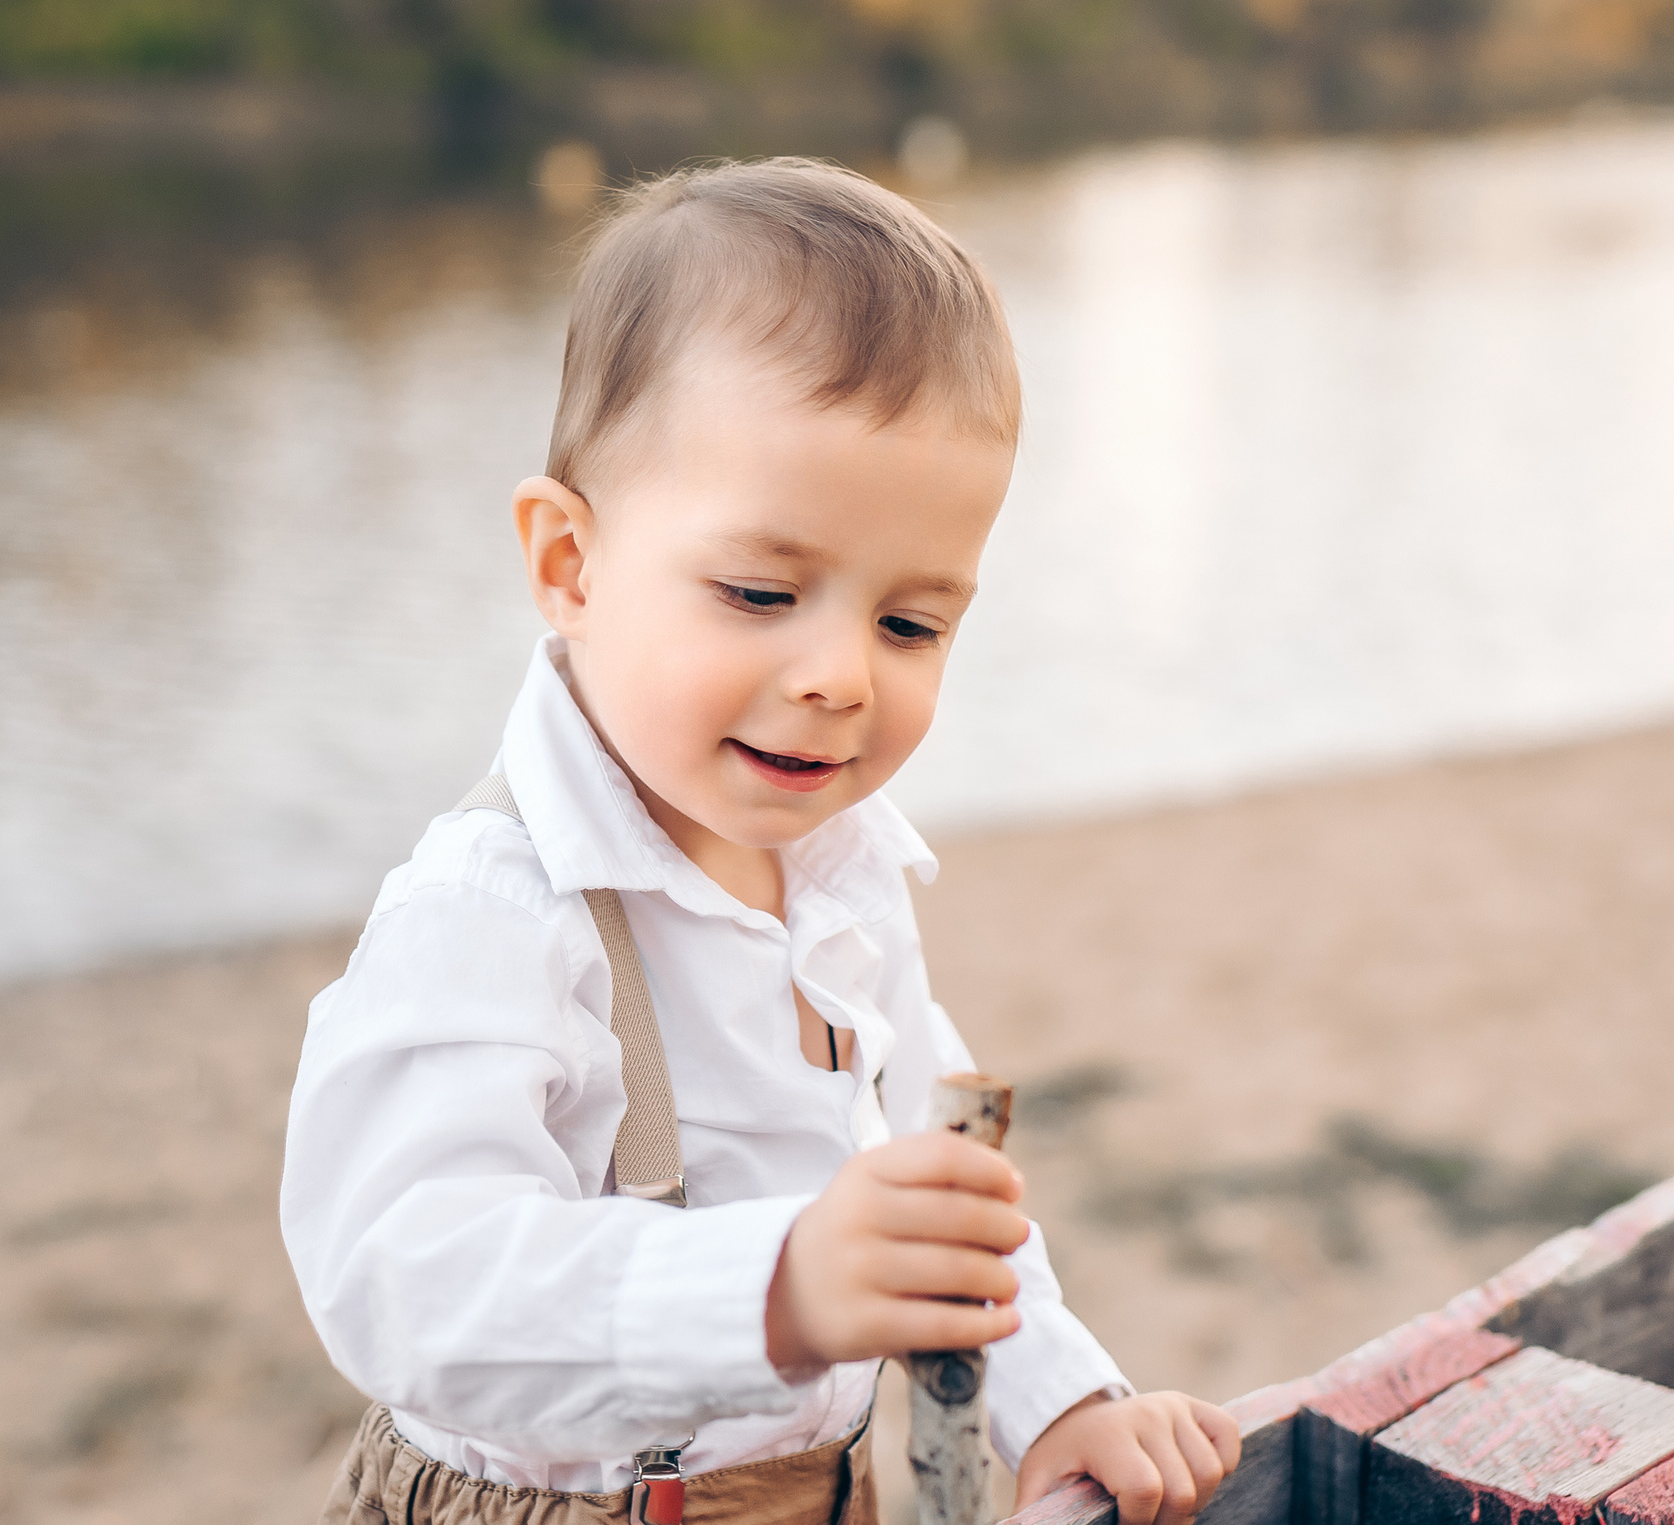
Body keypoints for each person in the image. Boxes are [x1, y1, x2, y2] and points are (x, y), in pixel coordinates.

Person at [282, 158, 1240, 1525]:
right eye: (758, 592)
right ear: (568, 564)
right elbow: (401, 1282)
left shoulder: (846, 882)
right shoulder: (496, 907)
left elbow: (942, 1214)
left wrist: (1062, 1400)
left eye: (909, 624)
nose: (840, 675)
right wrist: (774, 1289)